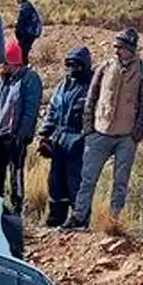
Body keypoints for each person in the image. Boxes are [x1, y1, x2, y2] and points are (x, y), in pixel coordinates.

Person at [61, 28, 143, 231]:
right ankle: (78, 218)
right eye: (115, 46)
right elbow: (92, 97)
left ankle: (113, 222)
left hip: (126, 137)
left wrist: (136, 134)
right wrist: (89, 129)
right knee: (87, 179)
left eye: (120, 47)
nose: (116, 50)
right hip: (100, 132)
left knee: (120, 182)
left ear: (130, 48)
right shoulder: (105, 67)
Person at [0, 40, 43, 213]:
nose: (1, 66)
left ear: (13, 62)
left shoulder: (29, 79)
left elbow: (30, 111)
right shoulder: (1, 80)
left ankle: (17, 209)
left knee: (16, 174)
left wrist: (21, 136)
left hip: (14, 136)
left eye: (4, 62)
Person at [37, 46, 94, 227]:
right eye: (68, 64)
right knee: (55, 180)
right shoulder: (63, 86)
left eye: (76, 65)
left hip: (80, 138)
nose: (71, 69)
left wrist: (87, 137)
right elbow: (53, 111)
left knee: (75, 181)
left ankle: (79, 219)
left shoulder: (92, 86)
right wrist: (44, 134)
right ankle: (56, 218)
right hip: (60, 138)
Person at [15, 0, 42, 66]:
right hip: (32, 34)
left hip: (26, 35)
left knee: (22, 53)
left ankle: (24, 70)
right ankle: (25, 68)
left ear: (21, 1)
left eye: (19, 3)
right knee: (24, 53)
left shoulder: (24, 8)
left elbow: (21, 23)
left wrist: (18, 32)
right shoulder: (32, 9)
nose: (19, 5)